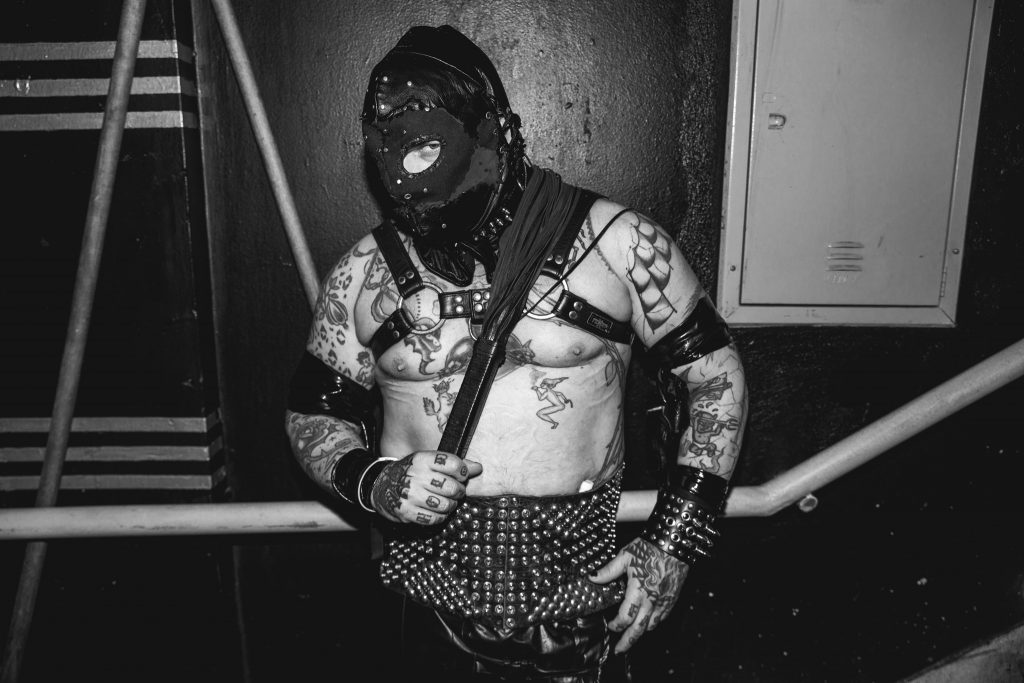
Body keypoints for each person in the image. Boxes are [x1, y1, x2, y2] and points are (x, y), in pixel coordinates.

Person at [285, 24, 747, 682]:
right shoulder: (364, 274)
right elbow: (313, 411)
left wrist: (674, 538)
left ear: (498, 131)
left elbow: (714, 378)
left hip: (580, 596)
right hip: (424, 593)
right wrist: (374, 482)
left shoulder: (616, 245)